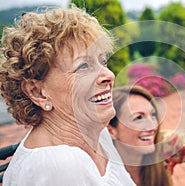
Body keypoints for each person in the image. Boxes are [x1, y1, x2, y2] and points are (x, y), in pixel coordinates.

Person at [0, 6, 136, 185]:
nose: (109, 75)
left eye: (102, 61)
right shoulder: (58, 166)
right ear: (37, 92)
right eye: (83, 67)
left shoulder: (96, 132)